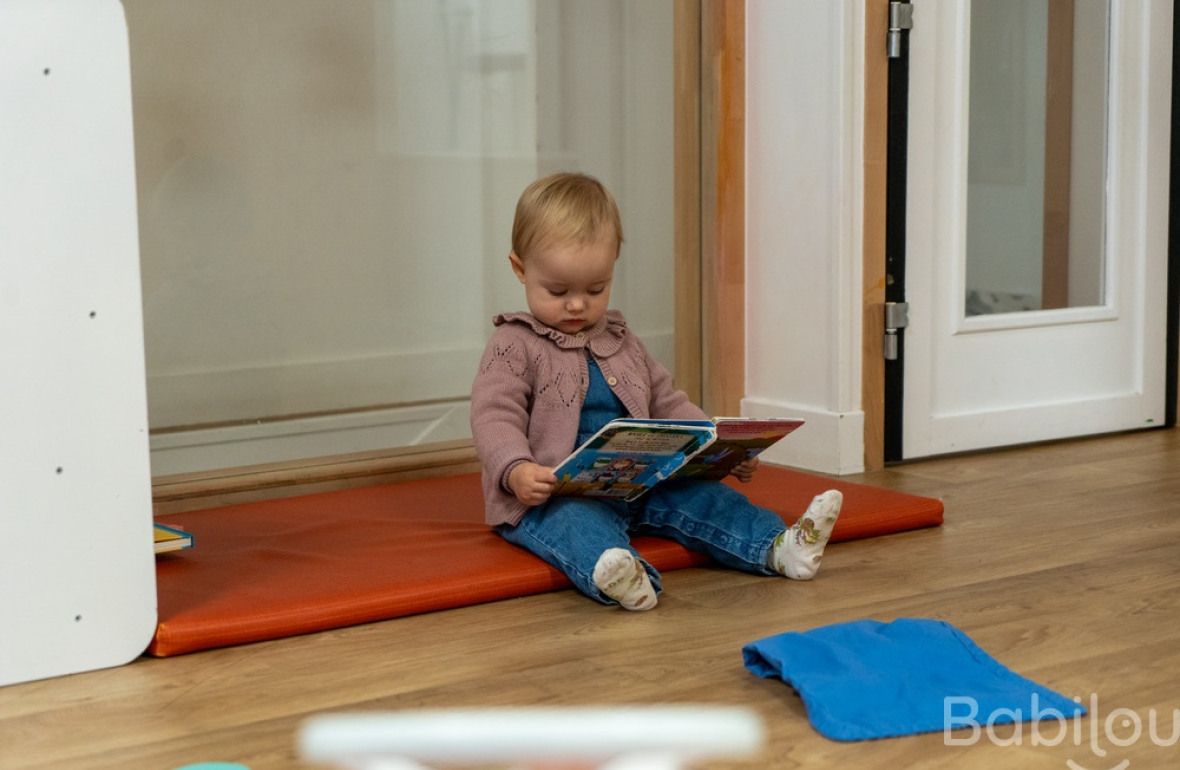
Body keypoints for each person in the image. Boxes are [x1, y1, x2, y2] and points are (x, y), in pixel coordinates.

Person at [470, 172, 843, 611]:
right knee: (574, 526)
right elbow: (494, 414)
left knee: (707, 499)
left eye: (595, 289)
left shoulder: (622, 340)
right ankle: (622, 575)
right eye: (557, 291)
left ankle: (779, 547)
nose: (577, 305)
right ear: (520, 269)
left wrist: (720, 446)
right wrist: (516, 470)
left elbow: (668, 401)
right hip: (554, 496)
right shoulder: (513, 344)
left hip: (640, 484)